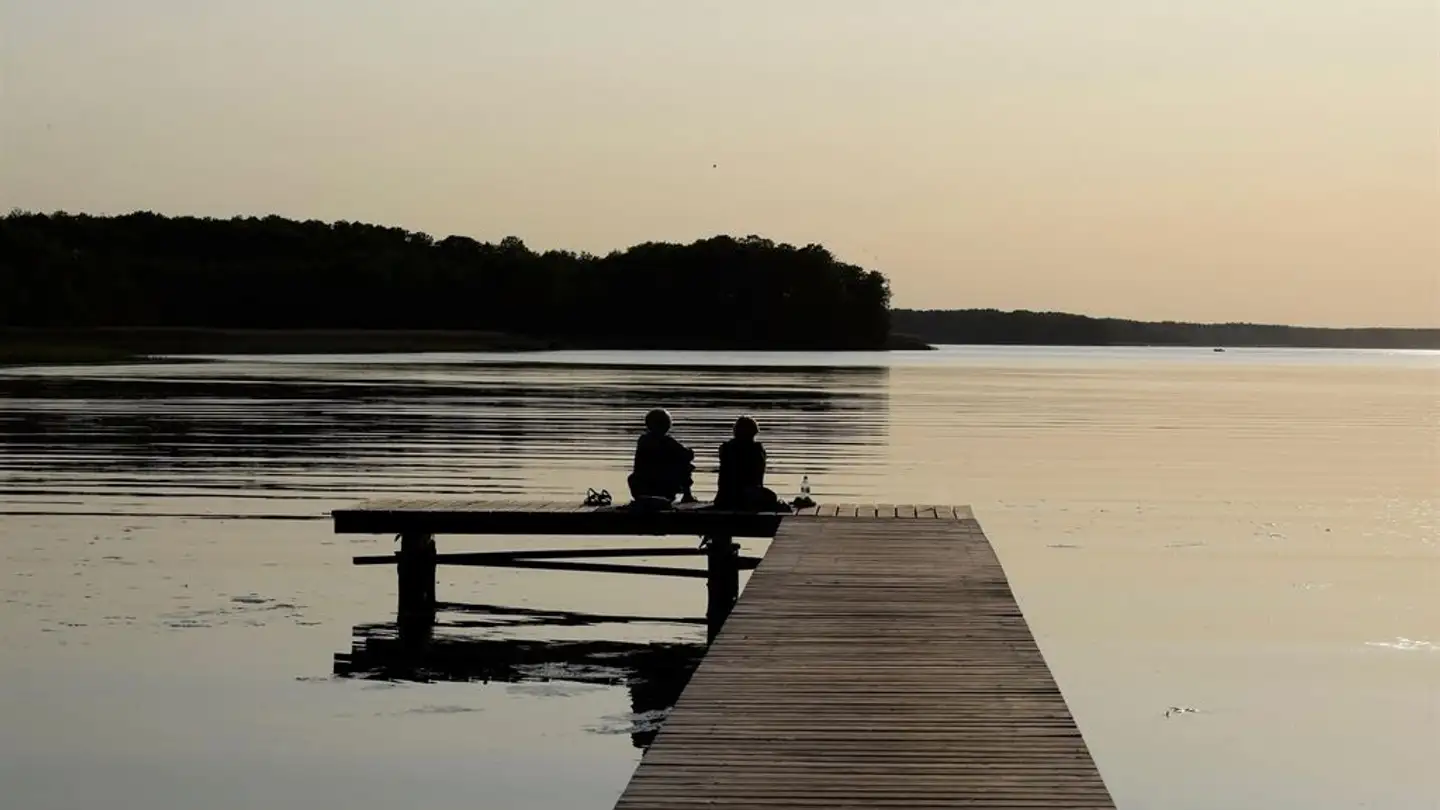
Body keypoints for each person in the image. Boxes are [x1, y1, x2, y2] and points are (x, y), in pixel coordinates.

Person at [715, 415, 784, 510]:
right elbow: (757, 478)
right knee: (771, 496)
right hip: (745, 494)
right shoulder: (756, 450)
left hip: (725, 495)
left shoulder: (726, 448)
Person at [627, 408, 696, 503]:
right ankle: (687, 495)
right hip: (662, 486)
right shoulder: (667, 441)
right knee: (685, 464)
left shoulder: (643, 440)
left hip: (640, 488)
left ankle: (645, 497)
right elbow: (687, 455)